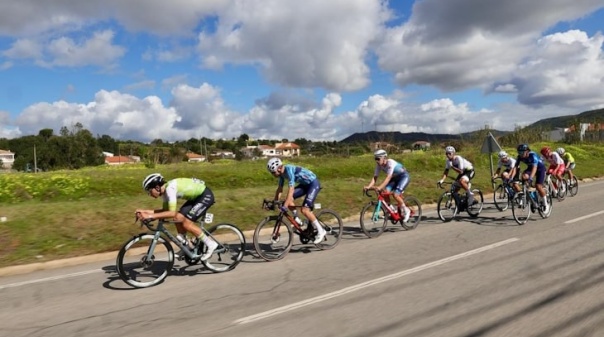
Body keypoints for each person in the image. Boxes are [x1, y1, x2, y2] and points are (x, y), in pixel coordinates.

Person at [136, 173, 217, 261]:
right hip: (196, 198)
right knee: (178, 218)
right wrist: (145, 212)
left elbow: (171, 213)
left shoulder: (170, 189)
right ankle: (186, 246)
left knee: (186, 223)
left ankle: (210, 244)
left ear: (157, 187)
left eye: (149, 190)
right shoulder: (165, 192)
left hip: (205, 196)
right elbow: (166, 211)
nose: (149, 194)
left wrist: (150, 216)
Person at [266, 157, 326, 244]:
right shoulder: (281, 175)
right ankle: (297, 218)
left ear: (279, 168)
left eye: (273, 172)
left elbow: (291, 190)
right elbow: (279, 189)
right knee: (287, 200)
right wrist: (275, 202)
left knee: (304, 210)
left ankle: (321, 230)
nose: (272, 174)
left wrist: (285, 206)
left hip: (313, 183)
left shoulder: (289, 170)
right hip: (304, 185)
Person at [364, 149, 412, 222]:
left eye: (378, 159)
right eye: (375, 159)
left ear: (384, 158)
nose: (376, 161)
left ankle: (406, 210)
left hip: (403, 177)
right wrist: (368, 186)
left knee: (395, 195)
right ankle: (392, 210)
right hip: (395, 178)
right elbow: (375, 178)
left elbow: (388, 178)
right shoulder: (379, 166)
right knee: (385, 192)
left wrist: (379, 187)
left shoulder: (390, 163)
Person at [514, 144, 550, 213]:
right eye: (519, 152)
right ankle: (530, 195)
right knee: (523, 177)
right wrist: (513, 178)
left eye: (522, 152)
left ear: (527, 151)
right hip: (530, 168)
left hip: (540, 169)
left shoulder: (533, 155)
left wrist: (530, 178)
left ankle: (546, 204)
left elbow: (535, 168)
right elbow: (515, 168)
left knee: (538, 186)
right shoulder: (519, 157)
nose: (520, 154)